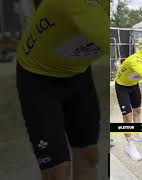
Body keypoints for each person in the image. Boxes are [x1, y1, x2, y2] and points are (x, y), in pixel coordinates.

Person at [16, 0, 107, 180]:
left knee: (88, 155)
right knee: (56, 172)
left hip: (78, 73)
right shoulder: (76, 4)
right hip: (38, 78)